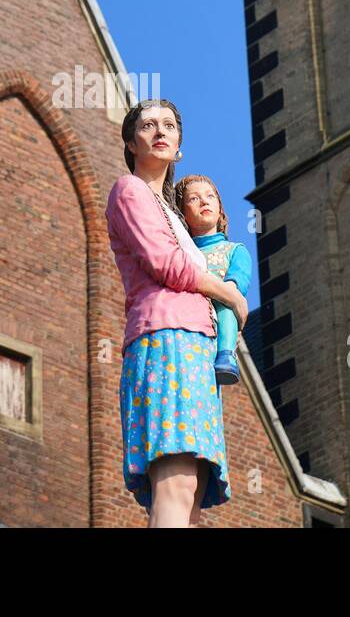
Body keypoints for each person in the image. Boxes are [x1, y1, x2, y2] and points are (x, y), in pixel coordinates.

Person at [106, 99, 248, 527]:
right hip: (166, 336)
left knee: (192, 494)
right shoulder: (129, 191)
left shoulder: (171, 211)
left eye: (168, 124)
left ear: (180, 145)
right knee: (175, 481)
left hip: (194, 344)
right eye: (148, 125)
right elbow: (164, 262)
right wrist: (227, 293)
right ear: (132, 142)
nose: (160, 131)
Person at [175, 174, 252, 385]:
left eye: (210, 196)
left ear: (220, 209)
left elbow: (238, 277)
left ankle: (225, 354)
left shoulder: (234, 250)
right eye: (193, 198)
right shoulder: (182, 252)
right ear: (182, 213)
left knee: (226, 305)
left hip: (220, 304)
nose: (204, 201)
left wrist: (228, 288)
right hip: (191, 311)